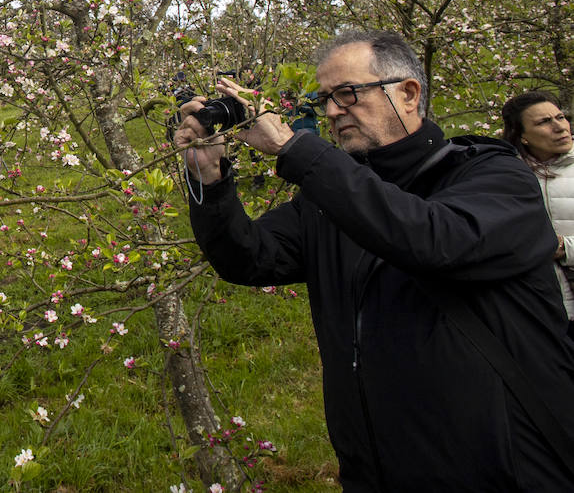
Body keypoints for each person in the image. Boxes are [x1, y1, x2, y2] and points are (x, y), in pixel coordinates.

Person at [174, 30, 574, 492]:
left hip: (507, 469)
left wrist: (294, 149)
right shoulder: (331, 197)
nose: (330, 112)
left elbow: (432, 238)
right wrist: (211, 177)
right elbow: (248, 258)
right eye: (325, 98)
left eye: (347, 94)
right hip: (379, 468)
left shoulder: (494, 174)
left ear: (408, 93)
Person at [501, 90, 574, 327]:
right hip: (537, 310)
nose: (560, 127)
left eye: (560, 117)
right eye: (544, 122)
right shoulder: (505, 176)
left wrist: (565, 247)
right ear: (522, 136)